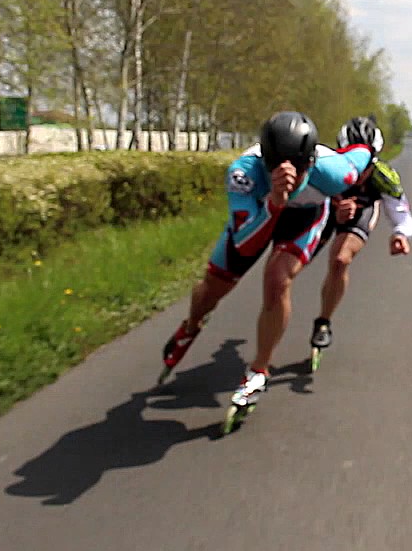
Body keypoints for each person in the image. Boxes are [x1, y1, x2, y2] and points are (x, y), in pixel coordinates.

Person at [158, 110, 375, 407]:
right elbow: (245, 245)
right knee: (213, 288)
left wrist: (370, 139)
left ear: (311, 161)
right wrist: (274, 203)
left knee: (277, 280)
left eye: (298, 168)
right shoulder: (244, 172)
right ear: (264, 160)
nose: (287, 175)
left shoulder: (335, 171)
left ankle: (259, 369)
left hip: (305, 218)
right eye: (276, 166)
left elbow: (361, 153)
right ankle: (191, 325)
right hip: (258, 217)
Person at [308, 116, 412, 352]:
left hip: (361, 212)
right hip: (323, 211)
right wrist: (332, 208)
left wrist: (399, 234)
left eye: (366, 163)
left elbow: (402, 214)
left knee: (340, 260)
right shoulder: (324, 166)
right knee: (292, 265)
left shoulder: (383, 175)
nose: (359, 170)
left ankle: (323, 322)